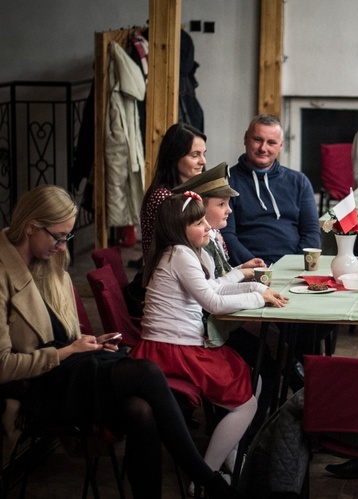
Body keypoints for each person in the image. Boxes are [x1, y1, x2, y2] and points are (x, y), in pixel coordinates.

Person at [0, 185, 241, 498]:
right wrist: (69, 350)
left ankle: (196, 482)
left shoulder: (49, 262)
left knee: (141, 409)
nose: (62, 247)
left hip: (70, 369)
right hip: (36, 385)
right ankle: (207, 479)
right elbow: (4, 366)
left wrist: (88, 341)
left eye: (67, 238)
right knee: (146, 372)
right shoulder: (3, 273)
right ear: (31, 227)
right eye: (59, 236)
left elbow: (61, 333)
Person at [131, 193, 288, 487]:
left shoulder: (183, 252)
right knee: (246, 403)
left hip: (173, 346)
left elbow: (212, 286)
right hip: (172, 350)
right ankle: (205, 477)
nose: (208, 227)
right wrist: (257, 297)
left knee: (253, 382)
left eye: (206, 220)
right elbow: (212, 303)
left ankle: (231, 462)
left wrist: (253, 285)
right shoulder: (180, 253)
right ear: (179, 228)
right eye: (199, 222)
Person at [222, 114, 320, 265]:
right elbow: (226, 235)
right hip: (246, 269)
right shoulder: (226, 181)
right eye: (258, 140)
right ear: (246, 138)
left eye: (271, 143)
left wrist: (292, 265)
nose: (263, 148)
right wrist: (256, 266)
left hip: (293, 270)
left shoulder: (299, 182)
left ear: (280, 146)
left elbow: (312, 233)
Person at [173, 162, 265, 278]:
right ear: (200, 208)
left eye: (228, 203)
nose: (229, 210)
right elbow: (212, 287)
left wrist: (242, 267)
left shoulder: (213, 235)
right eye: (221, 204)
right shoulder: (199, 243)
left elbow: (221, 273)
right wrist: (240, 274)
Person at [141, 122, 207, 258]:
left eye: (203, 154)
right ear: (174, 157)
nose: (203, 161)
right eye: (195, 155)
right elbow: (181, 250)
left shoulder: (191, 190)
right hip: (168, 274)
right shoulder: (162, 197)